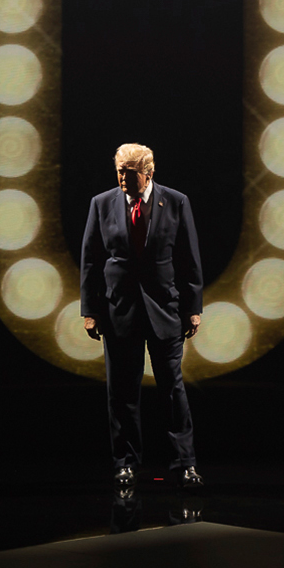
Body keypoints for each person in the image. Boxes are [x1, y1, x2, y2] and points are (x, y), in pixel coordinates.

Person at [79, 144, 204, 489]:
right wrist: (90, 312)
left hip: (165, 310)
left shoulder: (175, 202)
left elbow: (189, 259)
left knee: (172, 389)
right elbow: (90, 261)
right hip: (120, 310)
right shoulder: (102, 204)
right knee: (122, 392)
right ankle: (126, 464)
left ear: (147, 173)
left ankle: (185, 464)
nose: (121, 177)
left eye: (128, 172)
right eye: (118, 170)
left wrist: (193, 308)